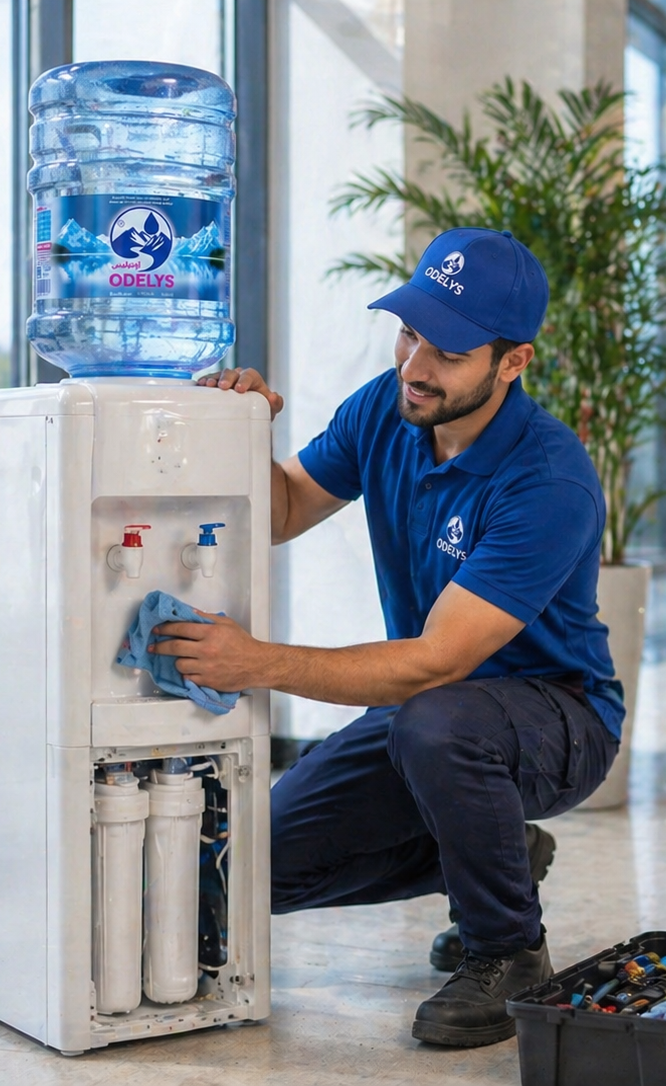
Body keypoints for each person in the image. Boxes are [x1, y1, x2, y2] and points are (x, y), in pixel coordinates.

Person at [147, 227, 623, 1048]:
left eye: (448, 352)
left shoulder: (548, 480)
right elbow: (283, 510)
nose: (415, 366)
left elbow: (438, 661)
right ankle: (497, 851)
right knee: (253, 869)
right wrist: (241, 431)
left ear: (513, 363)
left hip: (556, 718)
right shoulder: (388, 406)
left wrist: (255, 663)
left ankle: (507, 948)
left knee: (440, 722)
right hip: (428, 717)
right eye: (408, 333)